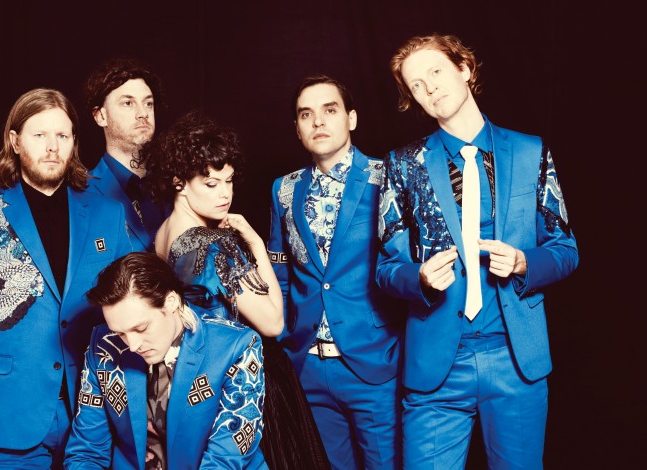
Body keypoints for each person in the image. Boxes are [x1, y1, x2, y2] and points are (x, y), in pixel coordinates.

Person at [377, 33, 579, 468]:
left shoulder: (530, 151)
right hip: (437, 367)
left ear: (464, 69)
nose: (430, 87)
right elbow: (387, 268)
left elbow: (565, 248)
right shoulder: (402, 164)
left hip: (516, 361)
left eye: (436, 72)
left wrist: (525, 262)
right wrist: (419, 278)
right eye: (416, 84)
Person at [0, 88, 134, 469]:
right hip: (6, 416)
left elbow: (133, 306)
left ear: (74, 142)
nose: (52, 147)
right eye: (39, 135)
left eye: (62, 135)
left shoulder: (108, 214)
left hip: (94, 417)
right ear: (15, 141)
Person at [148, 111, 330, 469]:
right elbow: (273, 324)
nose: (225, 194)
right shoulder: (213, 245)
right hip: (245, 377)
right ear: (179, 182)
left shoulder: (164, 232)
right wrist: (257, 245)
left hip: (200, 379)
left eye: (229, 181)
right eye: (210, 184)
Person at [267, 74, 403, 469]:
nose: (318, 122)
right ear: (297, 128)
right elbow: (280, 271)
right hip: (308, 365)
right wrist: (287, 337)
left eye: (329, 110)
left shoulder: (387, 176)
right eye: (305, 114)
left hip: (372, 363)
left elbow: (400, 267)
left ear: (351, 118)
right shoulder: (283, 189)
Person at [64, 252, 267, 469]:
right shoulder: (104, 345)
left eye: (141, 328)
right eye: (120, 333)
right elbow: (86, 452)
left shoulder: (237, 346)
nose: (132, 345)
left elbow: (225, 461)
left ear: (171, 302)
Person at [84, 57, 169, 251]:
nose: (143, 113)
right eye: (128, 103)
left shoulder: (177, 183)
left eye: (148, 103)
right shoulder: (81, 195)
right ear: (101, 116)